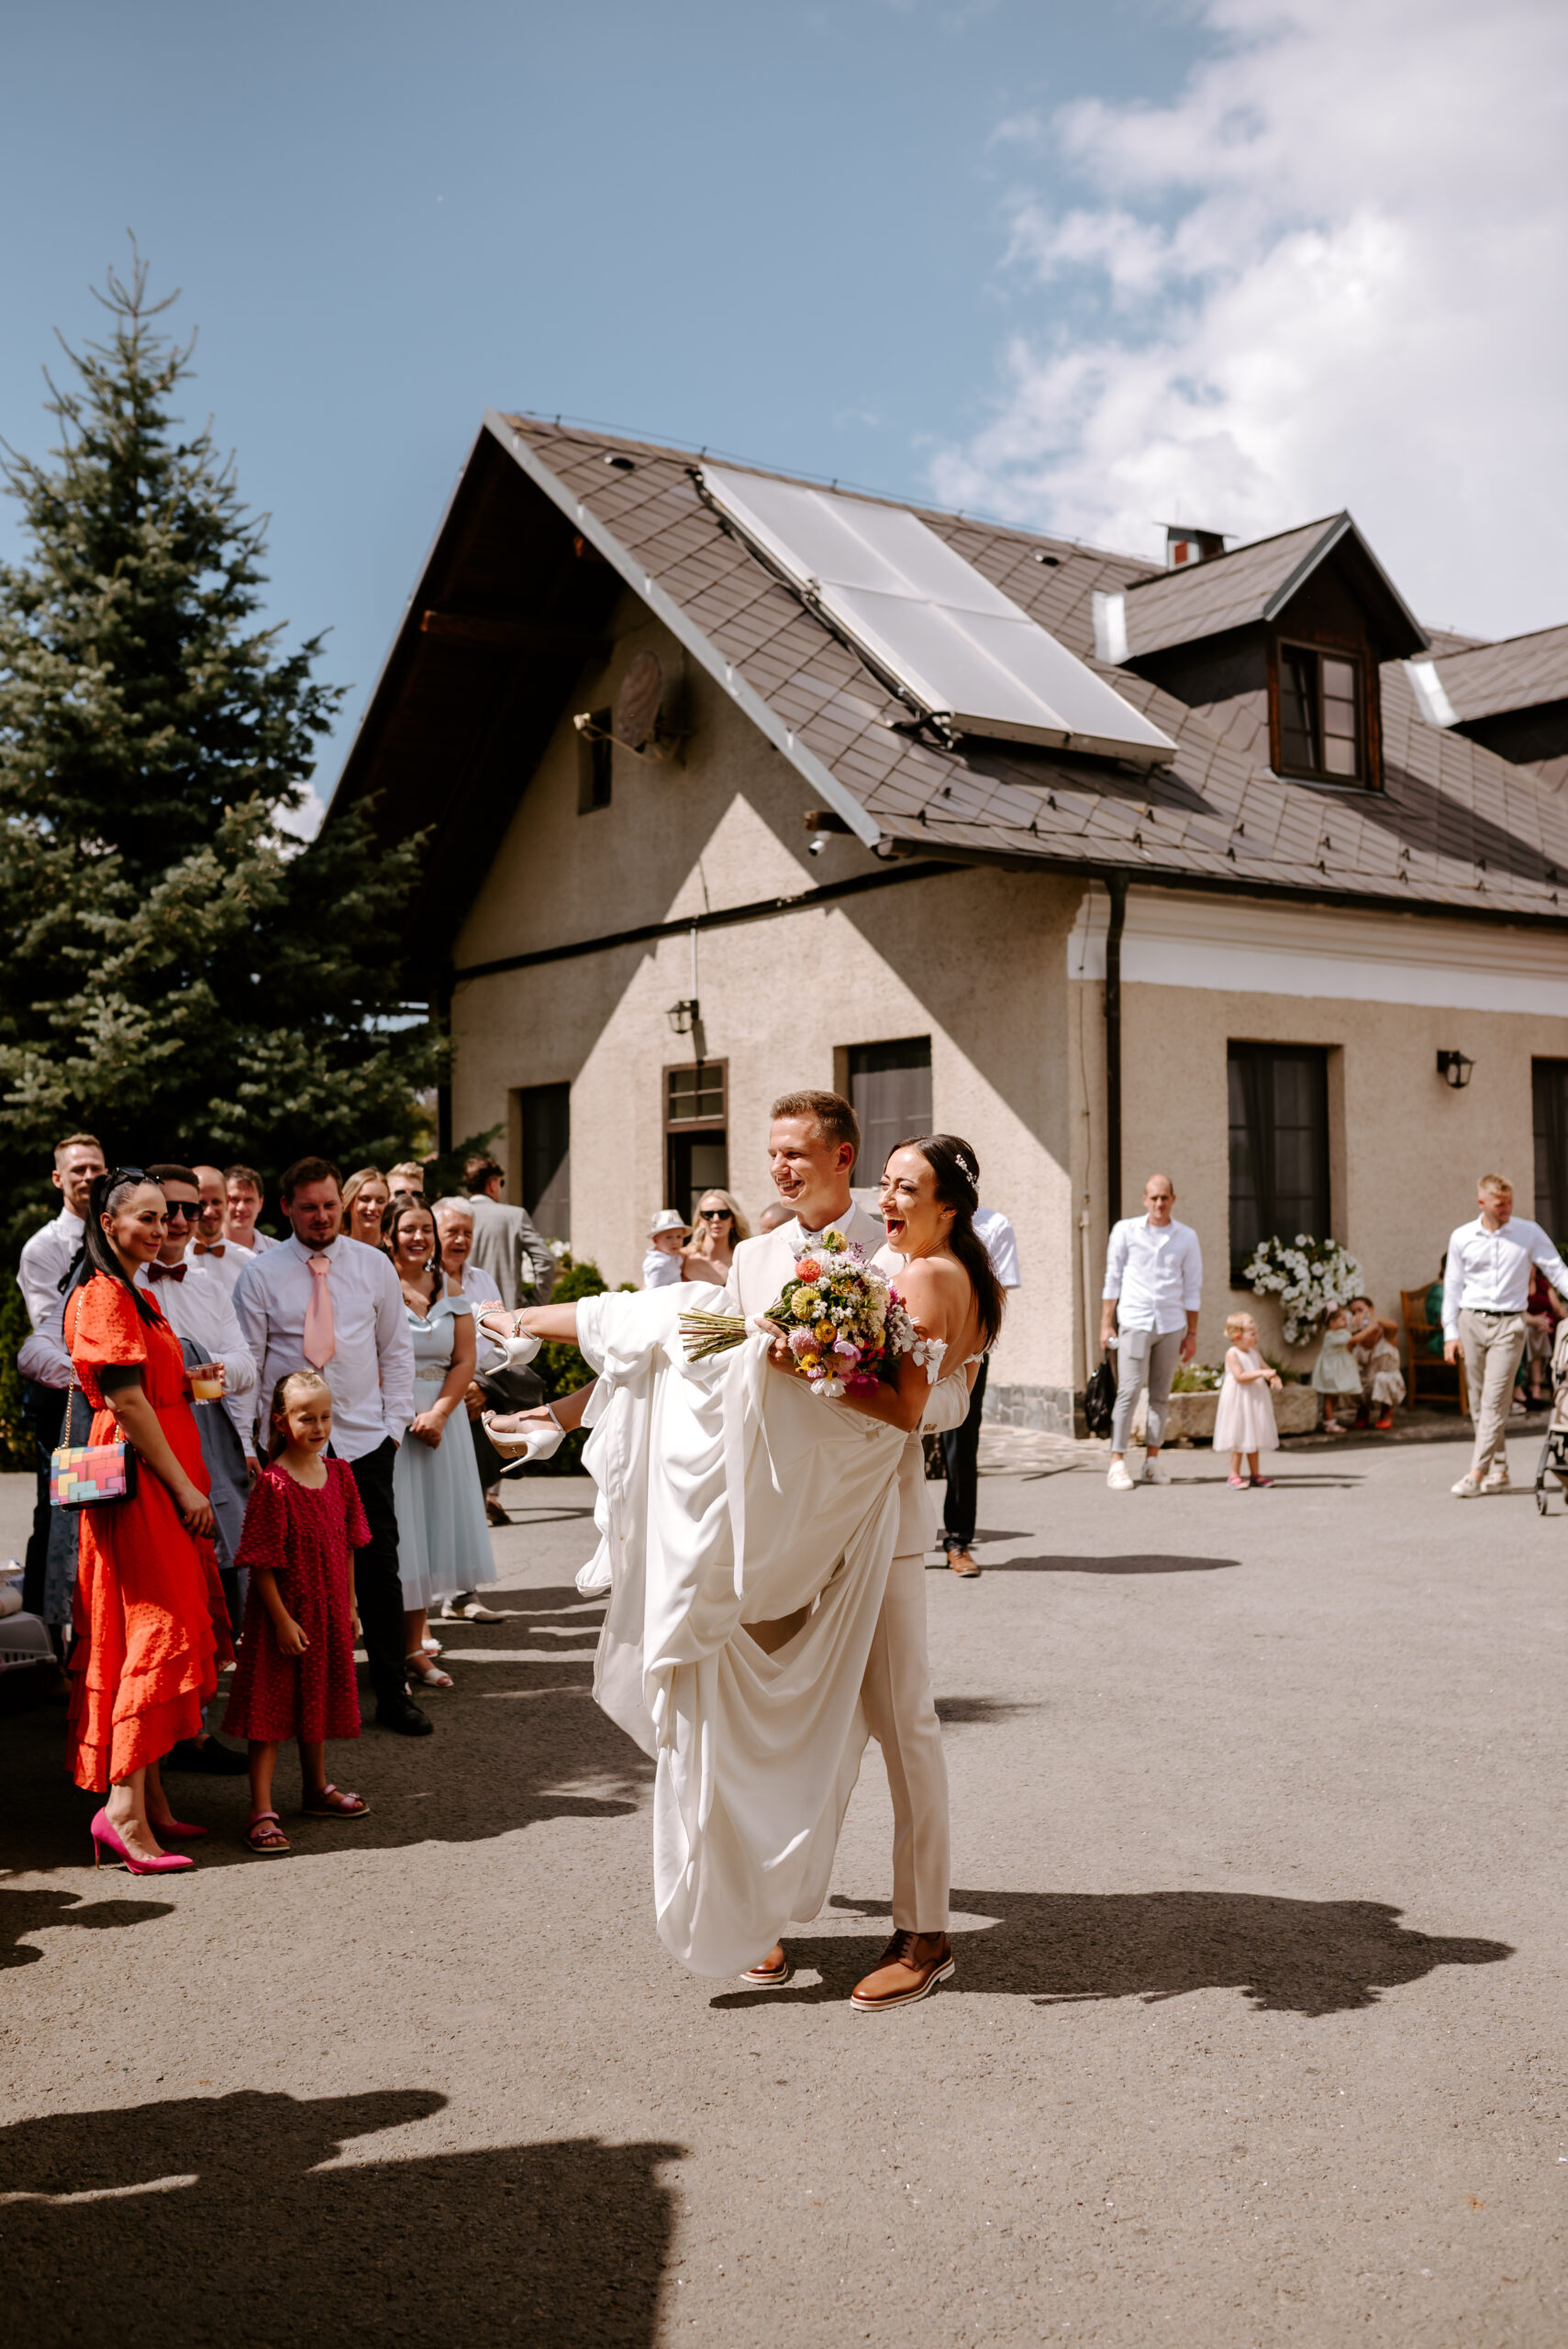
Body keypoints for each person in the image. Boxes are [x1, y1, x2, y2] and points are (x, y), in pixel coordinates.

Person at [497, 1092, 983, 2012]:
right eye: (772, 1154)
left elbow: (942, 1395)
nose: (780, 1168)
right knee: (750, 1719)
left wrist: (826, 1364)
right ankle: (755, 1911)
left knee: (899, 1724)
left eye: (797, 1152)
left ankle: (924, 1930)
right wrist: (565, 1415)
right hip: (763, 1526)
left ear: (842, 1157)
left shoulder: (902, 1254)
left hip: (874, 1524)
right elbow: (688, 1349)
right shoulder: (755, 1256)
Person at [64, 1169, 228, 1873]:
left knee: (153, 1625)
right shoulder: (104, 1293)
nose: (162, 1229)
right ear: (108, 1223)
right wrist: (186, 1487)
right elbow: (126, 1402)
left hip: (158, 1473)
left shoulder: (137, 1292)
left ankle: (151, 1798)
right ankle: (122, 1812)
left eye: (167, 1217)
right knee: (157, 1627)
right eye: (148, 1218)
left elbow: (147, 1390)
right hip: (142, 1483)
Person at [232, 1156, 427, 1735]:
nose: (321, 1217)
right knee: (296, 1575)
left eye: (329, 1206)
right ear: (286, 1208)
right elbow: (250, 1364)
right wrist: (249, 1443)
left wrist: (393, 1428)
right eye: (309, 1207)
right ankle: (304, 1696)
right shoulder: (261, 1275)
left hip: (365, 1441)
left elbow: (396, 1351)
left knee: (380, 1568)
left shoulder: (373, 1266)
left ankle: (391, 1691)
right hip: (289, 1450)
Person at [136, 1163, 258, 1778]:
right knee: (160, 1590)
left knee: (215, 1580)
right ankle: (154, 1732)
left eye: (191, 1209)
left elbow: (247, 1364)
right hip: (142, 1446)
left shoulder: (209, 1283)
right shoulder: (120, 1280)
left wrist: (203, 1373)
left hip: (208, 1439)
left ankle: (197, 1724)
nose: (182, 1221)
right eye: (169, 1210)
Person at [223, 1370, 373, 1854]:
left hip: (328, 1612)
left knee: (317, 1700)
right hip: (281, 1619)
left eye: (325, 1416)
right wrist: (282, 1621)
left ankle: (316, 1789)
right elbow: (260, 1562)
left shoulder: (341, 1475)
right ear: (281, 1422)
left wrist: (350, 1603)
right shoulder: (273, 1484)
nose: (319, 1427)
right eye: (306, 1418)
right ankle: (261, 1810)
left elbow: (350, 1545)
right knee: (268, 1713)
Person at [383, 1194, 497, 1686]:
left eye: (425, 1229)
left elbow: (465, 1360)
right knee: (396, 1536)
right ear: (389, 1235)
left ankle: (414, 1648)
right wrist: (403, 1412)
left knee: (426, 1535)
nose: (419, 1238)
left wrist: (439, 1413)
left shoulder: (451, 1287)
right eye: (408, 1229)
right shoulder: (378, 1285)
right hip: (391, 1423)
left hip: (441, 1425)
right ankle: (385, 1655)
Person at [16, 1133, 105, 1621]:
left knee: (107, 1516)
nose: (89, 1177)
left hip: (115, 1403)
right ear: (58, 1179)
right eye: (78, 1170)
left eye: (96, 1168)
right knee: (61, 1517)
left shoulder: (120, 1234)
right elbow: (54, 1330)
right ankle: (50, 1635)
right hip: (66, 1407)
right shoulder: (43, 1248)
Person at [1442, 1174, 1568, 1497]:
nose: (1507, 1209)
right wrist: (1450, 1332)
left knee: (1495, 1400)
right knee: (1478, 1402)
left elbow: (1557, 1270)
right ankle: (1499, 1469)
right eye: (1500, 1204)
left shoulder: (1528, 1233)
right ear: (1482, 1203)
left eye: (1510, 1202)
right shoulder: (1462, 1237)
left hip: (1510, 1325)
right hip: (1471, 1321)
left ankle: (1476, 1473)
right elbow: (1453, 1285)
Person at [434, 1195, 528, 1551]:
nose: (461, 1240)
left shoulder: (483, 1280)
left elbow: (505, 1340)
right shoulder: (422, 1281)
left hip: (478, 1400)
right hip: (436, 1399)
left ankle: (463, 1577)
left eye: (467, 1233)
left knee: (471, 1498)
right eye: (452, 1231)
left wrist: (481, 1385)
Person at [1100, 1174, 1203, 1490]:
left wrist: (1192, 1333)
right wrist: (1106, 1323)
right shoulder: (1125, 1231)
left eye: (1164, 1198)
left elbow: (1192, 1287)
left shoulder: (1186, 1237)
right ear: (1145, 1199)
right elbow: (1113, 1278)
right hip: (1135, 1321)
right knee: (1129, 1390)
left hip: (1171, 1325)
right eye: (1154, 1198)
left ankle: (1152, 1462)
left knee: (1160, 1396)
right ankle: (1117, 1462)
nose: (1159, 1203)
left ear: (1173, 1199)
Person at [940, 1202, 1021, 1577]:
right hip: (910, 1338)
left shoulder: (994, 1225)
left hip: (968, 1348)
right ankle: (892, 1540)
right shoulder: (918, 1216)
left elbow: (996, 1295)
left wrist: (968, 1346)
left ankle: (958, 1541)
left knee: (961, 1443)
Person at [462, 1152, 557, 1310]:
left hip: (461, 1313)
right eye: (501, 1182)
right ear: (492, 1185)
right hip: (507, 1314)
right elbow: (546, 1260)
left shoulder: (452, 1217)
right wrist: (535, 1306)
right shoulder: (515, 1216)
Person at [1214, 1310, 1281, 1486]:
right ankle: (1234, 1474)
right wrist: (1262, 1373)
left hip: (1253, 1400)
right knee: (1239, 1436)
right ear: (1237, 1336)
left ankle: (1255, 1474)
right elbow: (1240, 1376)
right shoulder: (1232, 1353)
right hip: (1239, 1401)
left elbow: (1267, 1369)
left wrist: (1273, 1377)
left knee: (1253, 1436)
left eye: (1256, 1333)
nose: (1257, 1337)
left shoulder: (1253, 1353)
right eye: (1252, 1334)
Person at [1347, 1295, 1407, 1431]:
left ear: (1371, 1309)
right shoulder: (1356, 1334)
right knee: (1351, 1377)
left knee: (1382, 1378)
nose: (1357, 1315)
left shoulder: (1386, 1330)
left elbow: (1394, 1325)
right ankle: (1362, 1409)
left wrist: (1372, 1320)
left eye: (1360, 1310)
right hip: (1367, 1380)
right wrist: (1365, 1329)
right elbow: (1349, 1345)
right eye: (1353, 1312)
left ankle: (1387, 1411)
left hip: (1387, 1379)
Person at [1311, 1307, 1362, 1434]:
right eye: (1343, 1319)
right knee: (1330, 1396)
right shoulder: (1331, 1335)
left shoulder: (1339, 1333)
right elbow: (1352, 1339)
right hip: (1331, 1370)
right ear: (1332, 1323)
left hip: (1335, 1370)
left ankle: (1327, 1419)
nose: (1346, 1321)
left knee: (1333, 1396)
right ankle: (1329, 1423)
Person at [684, 1188, 750, 1279]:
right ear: (700, 1220)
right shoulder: (681, 1258)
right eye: (708, 1214)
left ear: (733, 1220)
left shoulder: (744, 1262)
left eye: (723, 1214)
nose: (716, 1219)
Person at [223, 1165, 277, 1258]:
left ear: (260, 1203)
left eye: (248, 1200)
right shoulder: (200, 1250)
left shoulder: (279, 1253)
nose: (241, 1208)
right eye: (234, 1199)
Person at [642, 1208, 695, 1288]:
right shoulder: (658, 1264)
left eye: (679, 1237)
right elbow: (652, 1290)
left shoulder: (672, 1257)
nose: (675, 1242)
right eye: (669, 1237)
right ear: (656, 1240)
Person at [341, 1167, 392, 1248]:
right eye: (365, 1199)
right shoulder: (332, 1250)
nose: (373, 1207)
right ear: (348, 1201)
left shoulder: (395, 1253)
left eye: (380, 1201)